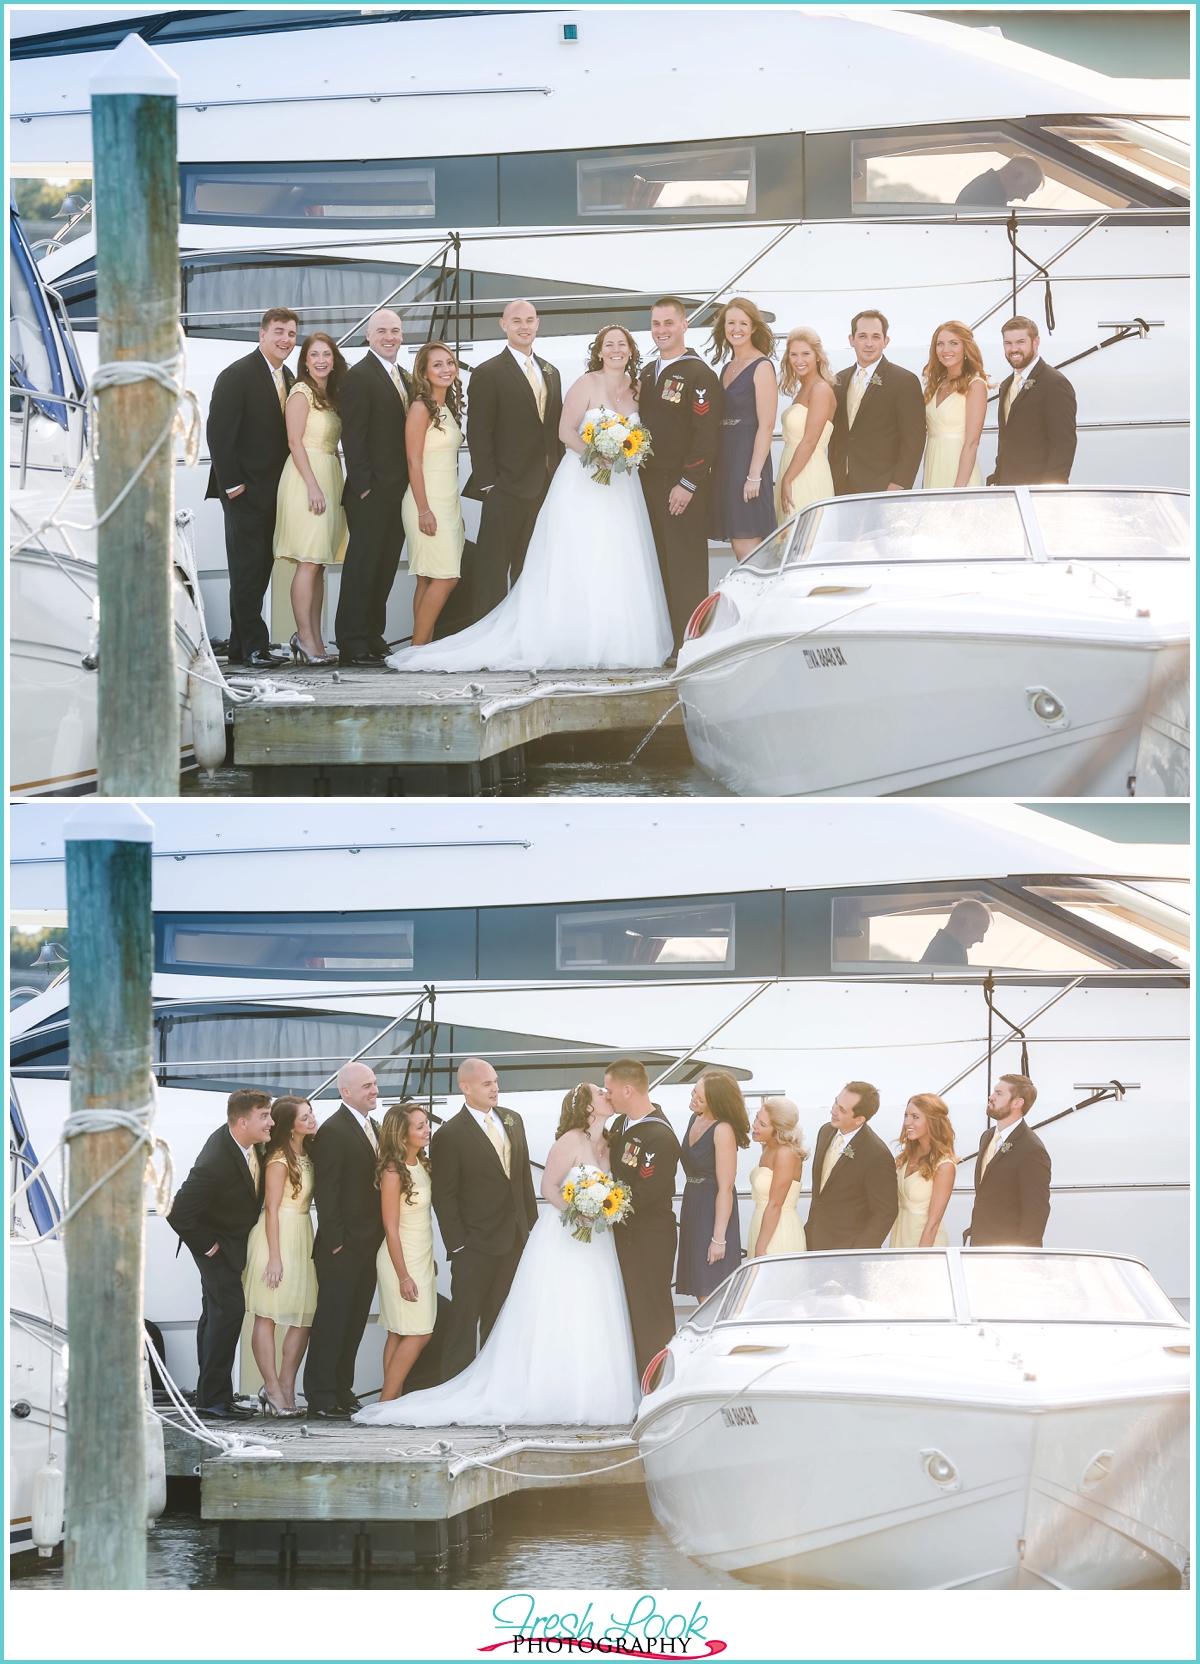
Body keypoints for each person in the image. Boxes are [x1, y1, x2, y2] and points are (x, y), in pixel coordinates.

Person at [386, 324, 671, 672]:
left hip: (623, 488)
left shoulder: (639, 388)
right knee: (579, 557)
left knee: (619, 558)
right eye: (608, 344)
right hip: (584, 482)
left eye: (621, 344)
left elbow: (643, 434)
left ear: (630, 350)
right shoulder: (584, 383)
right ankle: (570, 639)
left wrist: (628, 453)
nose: (615, 349)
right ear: (598, 351)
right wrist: (596, 455)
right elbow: (565, 431)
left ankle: (617, 641)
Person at [355, 1082, 638, 1426]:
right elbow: (548, 1187)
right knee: (554, 1310)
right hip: (558, 1235)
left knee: (594, 1311)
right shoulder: (568, 1141)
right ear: (588, 1106)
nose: (608, 1095)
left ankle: (593, 1393)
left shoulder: (607, 1143)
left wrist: (605, 1209)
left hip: (594, 1244)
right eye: (601, 1093)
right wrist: (576, 1213)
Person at [429, 1057, 540, 1382]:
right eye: (487, 1083)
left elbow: (522, 1181)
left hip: (515, 1240)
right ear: (466, 1088)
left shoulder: (513, 1119)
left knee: (503, 1320)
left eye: (495, 1080)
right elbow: (444, 1195)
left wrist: (530, 1230)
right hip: (474, 1246)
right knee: (465, 1323)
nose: (495, 1088)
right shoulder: (450, 1134)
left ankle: (496, 1387)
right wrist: (459, 1245)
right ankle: (452, 1389)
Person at [166, 1089, 273, 1419]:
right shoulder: (215, 1161)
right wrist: (209, 1246)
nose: (271, 1122)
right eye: (264, 1116)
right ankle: (213, 1401)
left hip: (230, 1243)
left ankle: (211, 1397)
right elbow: (177, 1211)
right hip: (215, 1247)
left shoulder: (250, 1144)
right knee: (229, 1313)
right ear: (243, 1122)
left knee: (215, 1318)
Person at [204, 308, 298, 667]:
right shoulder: (237, 374)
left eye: (290, 334)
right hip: (242, 492)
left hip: (274, 493)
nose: (285, 340)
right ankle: (257, 647)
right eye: (278, 332)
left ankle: (242, 647)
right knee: (246, 572)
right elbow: (219, 434)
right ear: (262, 334)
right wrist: (233, 487)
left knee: (258, 572)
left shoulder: (287, 377)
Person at [462, 299, 564, 621]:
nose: (524, 326)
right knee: (493, 569)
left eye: (530, 320)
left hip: (543, 486)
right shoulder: (488, 372)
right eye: (516, 320)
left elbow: (552, 429)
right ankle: (485, 633)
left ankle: (523, 633)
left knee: (530, 566)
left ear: (537, 324)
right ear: (503, 325)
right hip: (504, 487)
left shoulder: (552, 371)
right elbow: (478, 431)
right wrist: (489, 483)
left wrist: (557, 477)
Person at [638, 297, 723, 657]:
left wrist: (688, 484)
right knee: (659, 563)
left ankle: (691, 645)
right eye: (656, 323)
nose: (662, 330)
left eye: (669, 323)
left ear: (685, 325)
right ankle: (668, 641)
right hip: (648, 482)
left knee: (686, 565)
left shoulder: (699, 374)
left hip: (683, 485)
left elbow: (707, 435)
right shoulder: (646, 372)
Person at [304, 1063, 385, 1419]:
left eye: (375, 1084)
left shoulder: (374, 1127)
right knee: (331, 1324)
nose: (374, 1090)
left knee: (353, 1324)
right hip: (342, 1248)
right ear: (346, 1091)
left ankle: (342, 1389)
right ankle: (320, 1397)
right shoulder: (334, 1130)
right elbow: (327, 1189)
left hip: (369, 1246)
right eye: (367, 1085)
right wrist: (337, 1242)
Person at [333, 309, 413, 666]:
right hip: (371, 491)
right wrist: (364, 486)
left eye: (395, 330)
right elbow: (352, 435)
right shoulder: (359, 376)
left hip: (399, 491)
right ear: (368, 335)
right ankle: (350, 642)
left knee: (383, 566)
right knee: (362, 567)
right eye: (382, 330)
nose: (389, 336)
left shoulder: (404, 377)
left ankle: (371, 633)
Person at [239, 1096, 318, 1415]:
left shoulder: (307, 1151)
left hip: (302, 1234)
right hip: (277, 1236)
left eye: (312, 1113)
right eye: (305, 1116)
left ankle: (287, 1386)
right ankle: (271, 1388)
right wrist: (274, 1258)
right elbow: (270, 1210)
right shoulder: (277, 1160)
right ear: (289, 1126)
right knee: (267, 1315)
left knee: (303, 1317)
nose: (312, 1119)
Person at [273, 332, 349, 665]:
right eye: (314, 355)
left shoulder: (330, 395)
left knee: (318, 565)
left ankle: (316, 639)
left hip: (329, 473)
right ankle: (304, 638)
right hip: (307, 479)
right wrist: (314, 486)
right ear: (305, 361)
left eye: (327, 355)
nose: (321, 360)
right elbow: (294, 442)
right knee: (307, 561)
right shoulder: (300, 393)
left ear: (333, 360)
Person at [606, 1057, 681, 1380]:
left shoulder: (659, 1136)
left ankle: (659, 1383)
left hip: (649, 1238)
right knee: (631, 1312)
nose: (606, 1096)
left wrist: (599, 1205)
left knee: (652, 1313)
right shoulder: (620, 1125)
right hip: (625, 1235)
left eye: (610, 1091)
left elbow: (645, 1193)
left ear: (627, 1090)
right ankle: (637, 1382)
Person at [372, 1101, 437, 1401]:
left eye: (426, 1123)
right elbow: (391, 1227)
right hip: (401, 1260)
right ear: (402, 1135)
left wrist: (429, 1258)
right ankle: (386, 1402)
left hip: (421, 1257)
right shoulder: (392, 1171)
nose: (427, 1129)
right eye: (420, 1126)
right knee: (420, 1332)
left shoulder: (421, 1164)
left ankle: (391, 1402)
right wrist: (403, 1276)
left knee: (398, 1332)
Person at [403, 343, 467, 646]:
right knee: (447, 577)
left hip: (448, 501)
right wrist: (423, 509)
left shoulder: (446, 408)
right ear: (425, 372)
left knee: (428, 578)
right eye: (438, 365)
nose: (446, 370)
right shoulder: (421, 407)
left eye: (450, 363)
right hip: (426, 501)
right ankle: (417, 651)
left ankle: (422, 649)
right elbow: (414, 461)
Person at [709, 297, 778, 560]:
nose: (736, 329)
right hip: (727, 456)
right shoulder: (727, 367)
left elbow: (767, 424)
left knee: (746, 540)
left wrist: (754, 475)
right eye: (731, 323)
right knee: (738, 540)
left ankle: (761, 596)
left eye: (743, 323)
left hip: (747, 457)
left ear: (753, 328)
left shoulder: (762, 366)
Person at [829, 310, 926, 497]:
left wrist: (899, 484)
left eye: (876, 337)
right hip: (841, 485)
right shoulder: (838, 380)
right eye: (862, 336)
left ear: (885, 341)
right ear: (852, 340)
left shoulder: (903, 381)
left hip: (882, 487)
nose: (869, 343)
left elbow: (914, 441)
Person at [676, 1072, 749, 1302]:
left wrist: (719, 1238)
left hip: (713, 1209)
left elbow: (726, 1188)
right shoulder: (695, 1118)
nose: (693, 1097)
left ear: (716, 1102)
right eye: (695, 1091)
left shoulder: (722, 1130)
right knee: (701, 1289)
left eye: (700, 1097)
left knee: (710, 1292)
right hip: (693, 1204)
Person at [805, 1082, 899, 1250]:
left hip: (848, 1249)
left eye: (842, 1110)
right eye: (835, 1102)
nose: (833, 1110)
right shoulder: (825, 1131)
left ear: (859, 1119)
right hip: (814, 1239)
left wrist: (858, 1251)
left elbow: (885, 1213)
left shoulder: (877, 1154)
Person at [989, 315, 1078, 486]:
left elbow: (1063, 445)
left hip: (1038, 490)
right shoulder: (1007, 384)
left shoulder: (1055, 383)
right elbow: (1007, 439)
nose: (1013, 349)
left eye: (1020, 342)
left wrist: (1047, 492)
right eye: (1008, 343)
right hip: (1008, 487)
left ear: (1036, 342)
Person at [966, 1074, 1052, 1247]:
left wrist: (1021, 1257)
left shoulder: (1032, 1149)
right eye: (993, 1092)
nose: (991, 1097)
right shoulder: (987, 1136)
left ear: (1017, 1103)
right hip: (980, 1243)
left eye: (998, 1093)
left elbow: (1036, 1211)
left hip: (1009, 1252)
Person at [775, 327, 837, 520]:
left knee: (804, 539)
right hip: (792, 468)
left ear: (817, 356)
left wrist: (787, 479)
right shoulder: (804, 388)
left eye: (805, 354)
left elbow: (810, 441)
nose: (799, 360)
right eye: (793, 354)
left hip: (807, 472)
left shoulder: (820, 389)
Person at [921, 321, 988, 488]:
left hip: (960, 475)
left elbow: (972, 443)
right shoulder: (935, 385)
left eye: (953, 343)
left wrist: (958, 490)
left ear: (966, 347)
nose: (945, 350)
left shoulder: (976, 385)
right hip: (933, 466)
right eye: (940, 344)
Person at [889, 1094, 957, 1248]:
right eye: (906, 1115)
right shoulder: (906, 1156)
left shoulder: (944, 1166)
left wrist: (920, 1258)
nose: (907, 1122)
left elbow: (934, 1223)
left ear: (932, 1121)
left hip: (925, 1243)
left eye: (915, 1117)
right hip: (900, 1236)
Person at [746, 1097, 808, 1258]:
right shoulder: (767, 1146)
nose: (754, 1125)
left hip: (779, 1231)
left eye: (762, 1124)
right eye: (756, 1118)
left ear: (778, 1130)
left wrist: (760, 1248)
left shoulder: (786, 1153)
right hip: (761, 1224)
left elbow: (775, 1204)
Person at [920, 899, 992, 966]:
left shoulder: (940, 946)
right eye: (979, 932)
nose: (981, 939)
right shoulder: (952, 954)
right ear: (962, 924)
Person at [955, 155, 1044, 210]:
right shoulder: (988, 198)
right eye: (1026, 191)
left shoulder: (987, 187)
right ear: (1017, 177)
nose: (1024, 198)